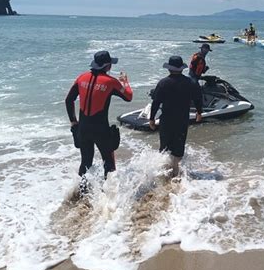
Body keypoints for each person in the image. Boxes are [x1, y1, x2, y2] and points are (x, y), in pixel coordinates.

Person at [65, 50, 133, 178]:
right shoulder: (110, 82)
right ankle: (108, 195)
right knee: (109, 164)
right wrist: (124, 81)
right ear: (108, 66)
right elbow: (129, 96)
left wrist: (73, 121)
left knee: (85, 163)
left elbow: (69, 100)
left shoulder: (81, 78)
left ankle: (82, 193)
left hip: (83, 128)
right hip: (101, 129)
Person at [149, 56, 203, 176]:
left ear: (169, 69)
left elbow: (156, 102)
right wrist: (199, 113)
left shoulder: (163, 83)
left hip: (166, 120)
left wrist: (151, 118)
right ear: (182, 69)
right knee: (179, 147)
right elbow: (198, 99)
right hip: (182, 120)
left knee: (164, 147)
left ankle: (163, 173)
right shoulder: (191, 82)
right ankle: (176, 171)